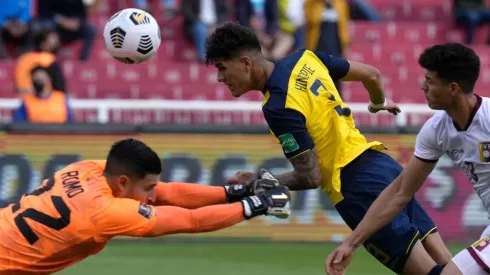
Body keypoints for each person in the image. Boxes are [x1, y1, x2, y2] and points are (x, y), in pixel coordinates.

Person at [205, 23, 452, 275]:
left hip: (356, 188)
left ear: (245, 62)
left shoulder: (278, 106)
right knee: (450, 267)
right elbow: (372, 74)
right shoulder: (305, 58)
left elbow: (311, 177)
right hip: (382, 166)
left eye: (222, 68)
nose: (220, 78)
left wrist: (258, 182)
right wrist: (378, 103)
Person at [0, 138, 291, 273]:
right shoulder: (105, 212)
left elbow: (170, 193)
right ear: (124, 183)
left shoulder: (85, 169)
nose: (152, 196)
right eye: (147, 189)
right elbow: (191, 222)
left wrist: (233, 192)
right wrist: (256, 204)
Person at [325, 43, 490, 275]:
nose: (423, 86)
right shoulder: (436, 131)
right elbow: (400, 192)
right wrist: (350, 244)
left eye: (430, 81)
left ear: (452, 88)